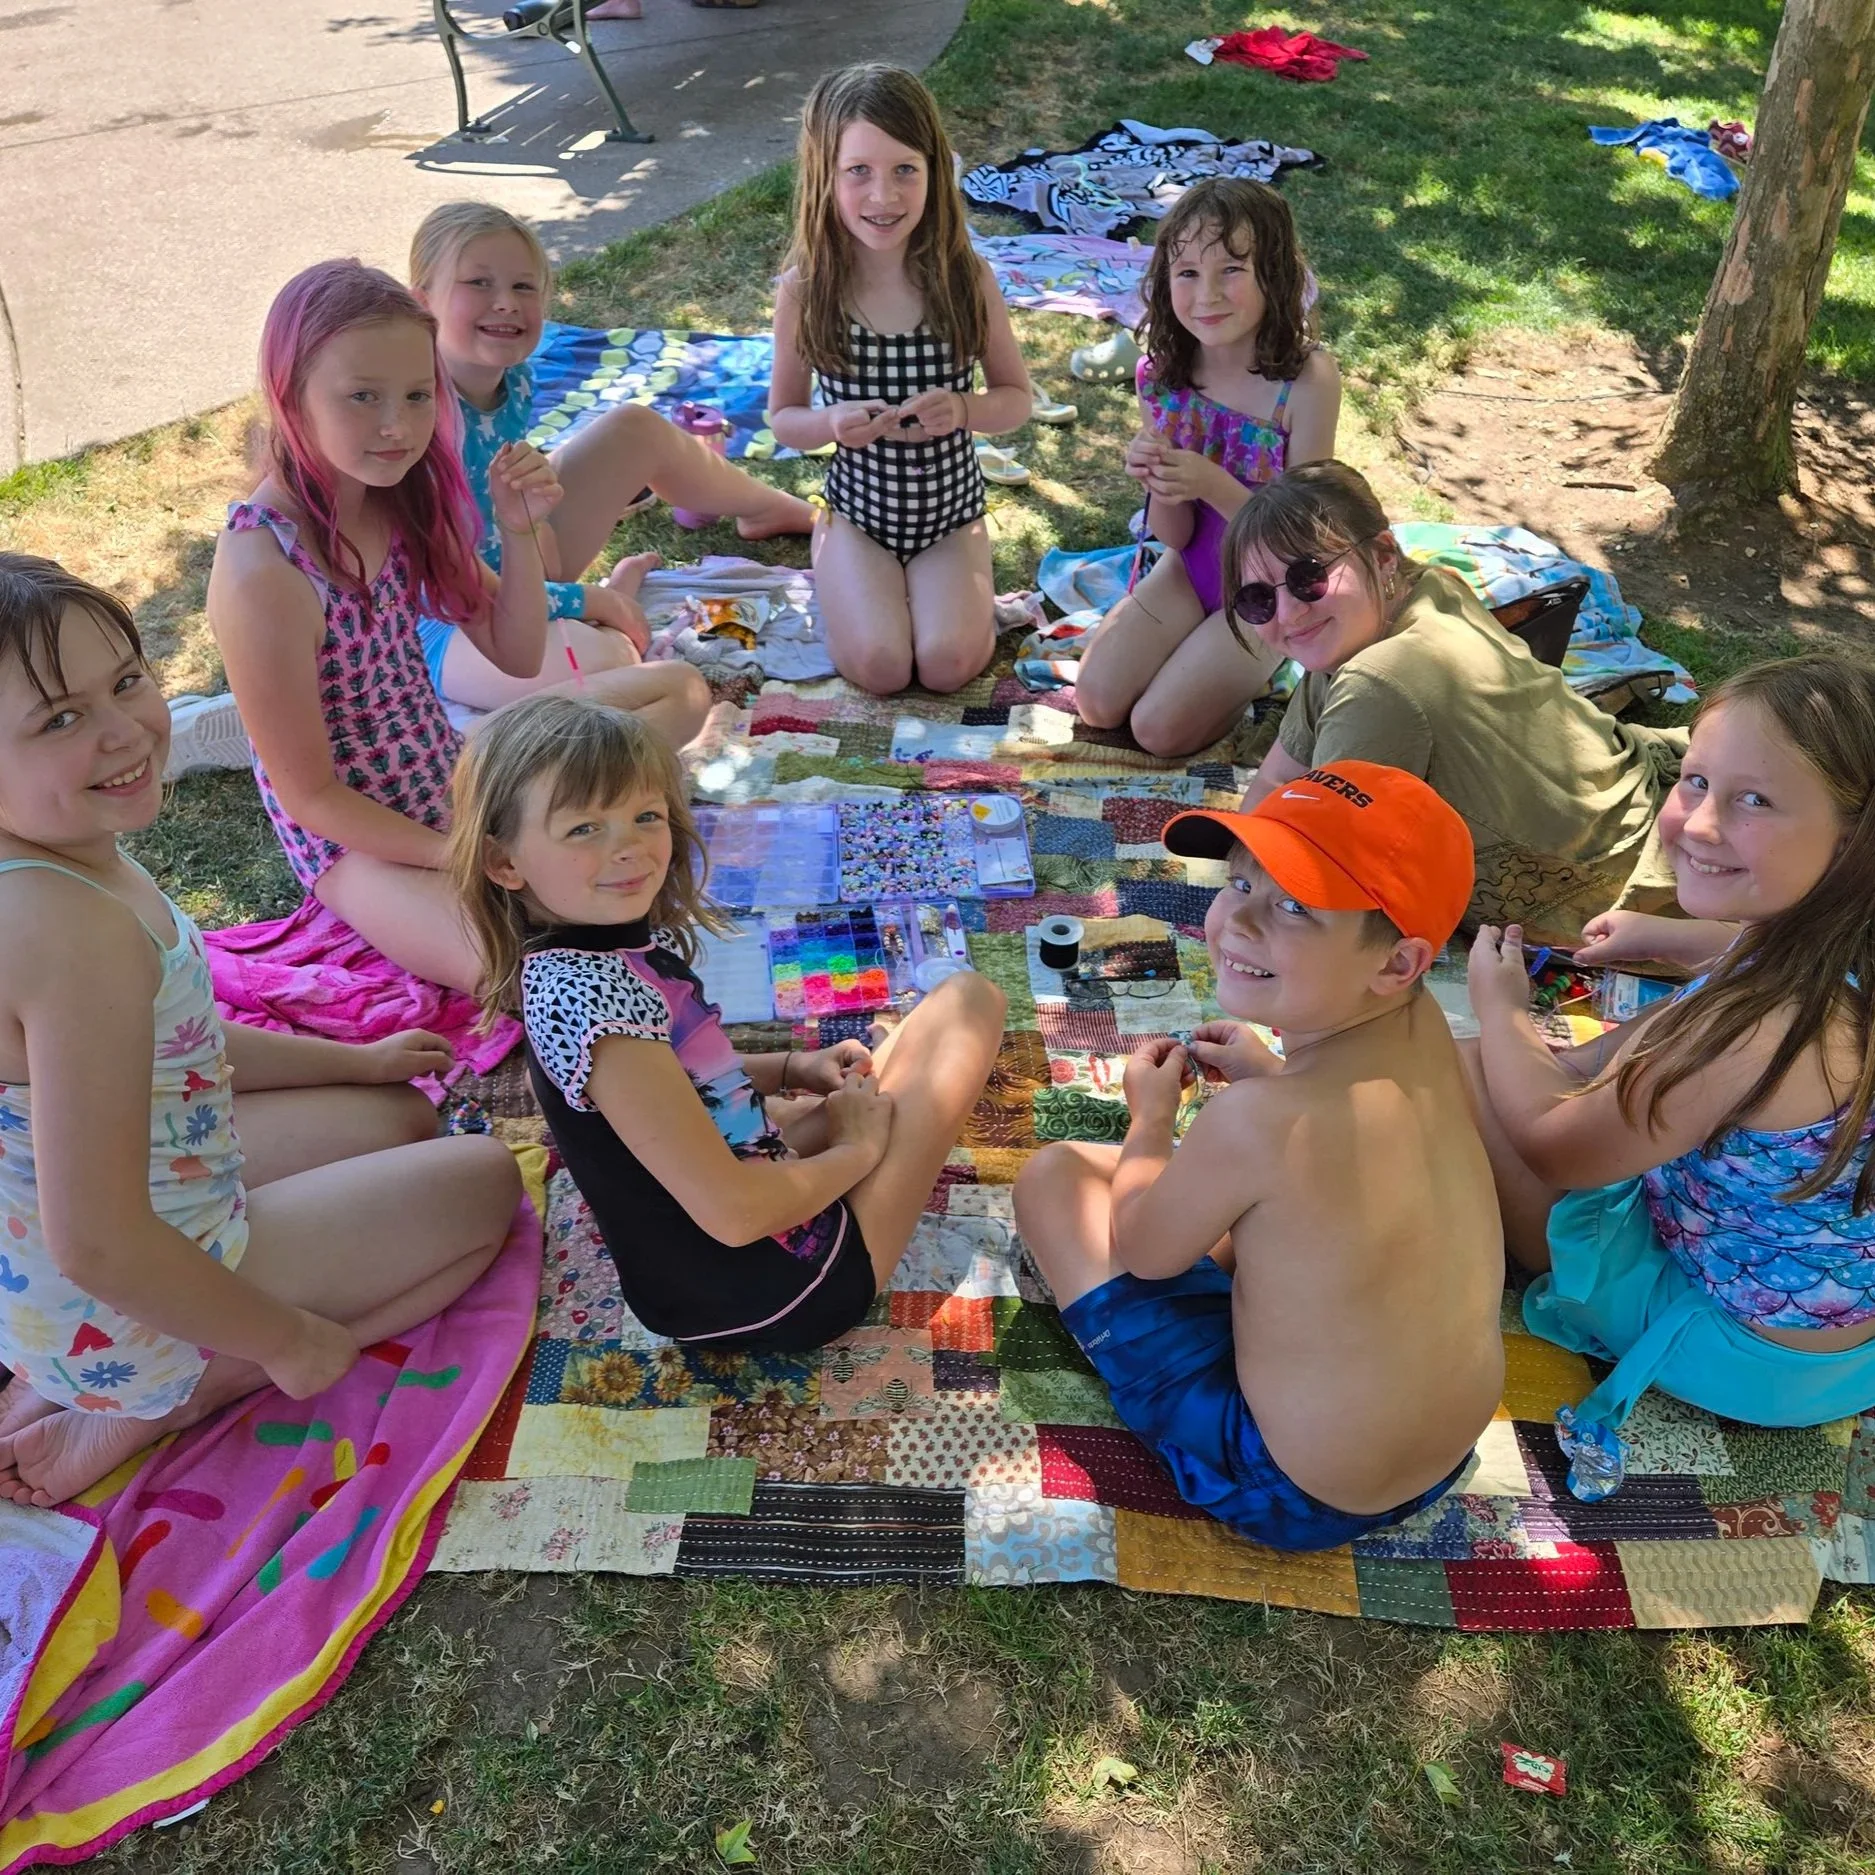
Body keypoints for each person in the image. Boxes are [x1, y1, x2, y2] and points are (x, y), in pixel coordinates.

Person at [0, 555, 522, 1509]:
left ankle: (144, 1364)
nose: (124, 731)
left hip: (93, 1255)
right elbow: (102, 1243)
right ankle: (185, 1389)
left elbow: (178, 1052)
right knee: (485, 1182)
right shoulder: (67, 935)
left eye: (125, 681)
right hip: (124, 1297)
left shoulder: (55, 864)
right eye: (59, 719)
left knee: (401, 1115)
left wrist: (351, 1061)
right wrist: (286, 1342)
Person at [1013, 762, 1504, 1550]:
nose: (1239, 923)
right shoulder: (1429, 1041)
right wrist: (1269, 1072)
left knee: (1056, 1175)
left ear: (1395, 963)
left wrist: (1150, 1121)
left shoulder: (1257, 1121)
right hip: (1435, 1460)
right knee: (1243, 1212)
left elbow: (1146, 1253)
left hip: (1288, 1489)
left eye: (1296, 906)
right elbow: (1343, 1163)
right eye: (1240, 883)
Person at [446, 693, 1007, 1348]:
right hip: (772, 1289)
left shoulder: (580, 959)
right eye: (583, 829)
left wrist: (794, 1067)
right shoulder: (594, 1002)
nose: (628, 847)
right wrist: (859, 1149)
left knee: (895, 1059)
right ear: (503, 862)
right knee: (969, 1002)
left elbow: (677, 1080)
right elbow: (735, 1214)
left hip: (710, 1260)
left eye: (644, 815)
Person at [207, 260, 706, 996]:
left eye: (416, 395)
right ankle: (235, 722)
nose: (397, 425)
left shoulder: (397, 494)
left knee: (682, 692)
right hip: (355, 841)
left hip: (448, 763)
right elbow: (315, 799)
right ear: (290, 397)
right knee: (525, 966)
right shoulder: (261, 571)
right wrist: (466, 853)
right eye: (362, 397)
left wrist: (517, 529)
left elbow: (516, 647)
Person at [1467, 654, 1875, 1455]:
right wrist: (1663, 935)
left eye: (1751, 800)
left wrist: (1501, 1007)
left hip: (1740, 1353)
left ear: (1848, 843)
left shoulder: (1750, 1030)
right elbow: (1753, 946)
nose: (1696, 822)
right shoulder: (1838, 943)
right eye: (1693, 781)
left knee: (1458, 1067)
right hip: (1836, 1342)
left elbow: (1551, 1148)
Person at [1228, 461, 1686, 944]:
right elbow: (1276, 782)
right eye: (1257, 599)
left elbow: (1319, 894)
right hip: (1641, 800)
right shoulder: (1421, 590)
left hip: (1639, 897)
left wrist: (1241, 903)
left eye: (1309, 576)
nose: (1289, 611)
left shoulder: (1376, 684)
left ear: (1384, 555)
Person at [408, 201, 811, 713]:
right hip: (450, 630)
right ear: (422, 303)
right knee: (613, 664)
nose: (506, 303)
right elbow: (459, 590)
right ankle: (609, 610)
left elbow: (527, 539)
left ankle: (770, 506)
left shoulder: (516, 380)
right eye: (479, 283)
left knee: (633, 428)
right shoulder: (419, 414)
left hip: (520, 580)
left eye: (524, 286)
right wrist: (594, 600)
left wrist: (543, 540)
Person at [769, 64, 1034, 695]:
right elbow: (783, 418)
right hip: (858, 516)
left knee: (947, 665)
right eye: (858, 171)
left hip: (951, 515)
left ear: (935, 172)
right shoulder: (807, 288)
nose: (883, 197)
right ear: (824, 177)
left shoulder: (964, 278)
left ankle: (924, 594)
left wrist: (966, 409)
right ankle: (830, 553)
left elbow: (1015, 399)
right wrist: (832, 423)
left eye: (904, 170)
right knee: (879, 669)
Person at [1073, 178, 1340, 758]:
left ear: (1275, 275)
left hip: (1274, 588)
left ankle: (1259, 665)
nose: (1207, 294)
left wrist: (1213, 483)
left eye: (1232, 270)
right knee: (1095, 702)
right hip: (1191, 568)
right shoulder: (1162, 376)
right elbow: (1174, 537)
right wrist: (1160, 481)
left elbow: (1301, 540)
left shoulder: (1306, 380)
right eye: (1187, 273)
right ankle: (1204, 655)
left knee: (1158, 731)